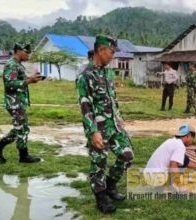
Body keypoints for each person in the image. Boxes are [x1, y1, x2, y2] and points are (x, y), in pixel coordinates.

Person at [76, 35, 133, 214]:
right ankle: (101, 197)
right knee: (99, 163)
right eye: (111, 52)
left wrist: (118, 116)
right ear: (101, 50)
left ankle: (111, 186)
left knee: (127, 155)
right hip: (98, 129)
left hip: (114, 125)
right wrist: (93, 132)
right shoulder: (85, 75)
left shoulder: (108, 72)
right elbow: (85, 106)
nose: (113, 56)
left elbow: (112, 97)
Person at [0, 43, 42, 164]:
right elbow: (10, 84)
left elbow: (17, 80)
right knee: (22, 129)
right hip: (14, 102)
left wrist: (30, 78)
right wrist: (28, 81)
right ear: (18, 51)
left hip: (18, 102)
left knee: (20, 128)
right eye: (26, 52)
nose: (29, 54)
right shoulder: (11, 65)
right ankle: (23, 156)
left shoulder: (18, 65)